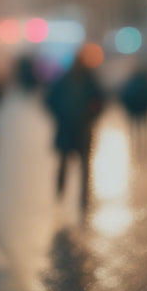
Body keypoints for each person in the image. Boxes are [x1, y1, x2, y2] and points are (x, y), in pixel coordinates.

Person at [45, 48, 104, 213]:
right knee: (80, 166)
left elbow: (49, 100)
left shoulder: (66, 79)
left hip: (71, 129)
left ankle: (63, 195)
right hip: (80, 130)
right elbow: (100, 100)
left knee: (67, 165)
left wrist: (61, 115)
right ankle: (79, 198)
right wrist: (91, 115)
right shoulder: (88, 80)